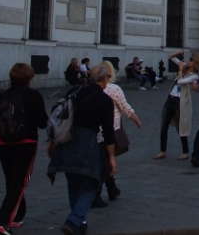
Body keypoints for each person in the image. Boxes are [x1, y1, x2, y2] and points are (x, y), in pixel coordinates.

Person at [48, 63, 116, 235]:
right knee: (91, 184)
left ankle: (80, 222)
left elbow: (60, 116)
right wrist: (112, 157)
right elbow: (108, 131)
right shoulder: (105, 100)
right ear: (105, 79)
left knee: (73, 182)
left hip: (67, 140)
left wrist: (52, 142)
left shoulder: (74, 92)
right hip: (87, 143)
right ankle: (74, 220)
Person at [0, 62, 48, 234]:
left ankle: (18, 215)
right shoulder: (34, 95)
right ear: (30, 78)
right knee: (19, 182)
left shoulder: (2, 95)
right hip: (26, 143)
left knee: (11, 180)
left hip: (2, 143)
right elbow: (43, 123)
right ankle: (2, 221)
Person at [96, 62, 142, 204]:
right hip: (112, 129)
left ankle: (112, 189)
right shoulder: (114, 88)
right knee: (105, 162)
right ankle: (96, 193)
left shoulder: (91, 89)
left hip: (94, 131)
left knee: (103, 160)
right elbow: (124, 106)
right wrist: (135, 118)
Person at [154, 52, 199, 160]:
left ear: (195, 63)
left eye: (191, 60)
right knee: (163, 126)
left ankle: (185, 152)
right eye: (189, 59)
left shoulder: (194, 75)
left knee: (181, 127)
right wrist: (179, 53)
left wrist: (180, 70)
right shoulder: (184, 66)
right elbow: (171, 57)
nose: (189, 61)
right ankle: (162, 151)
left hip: (180, 102)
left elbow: (180, 82)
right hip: (170, 99)